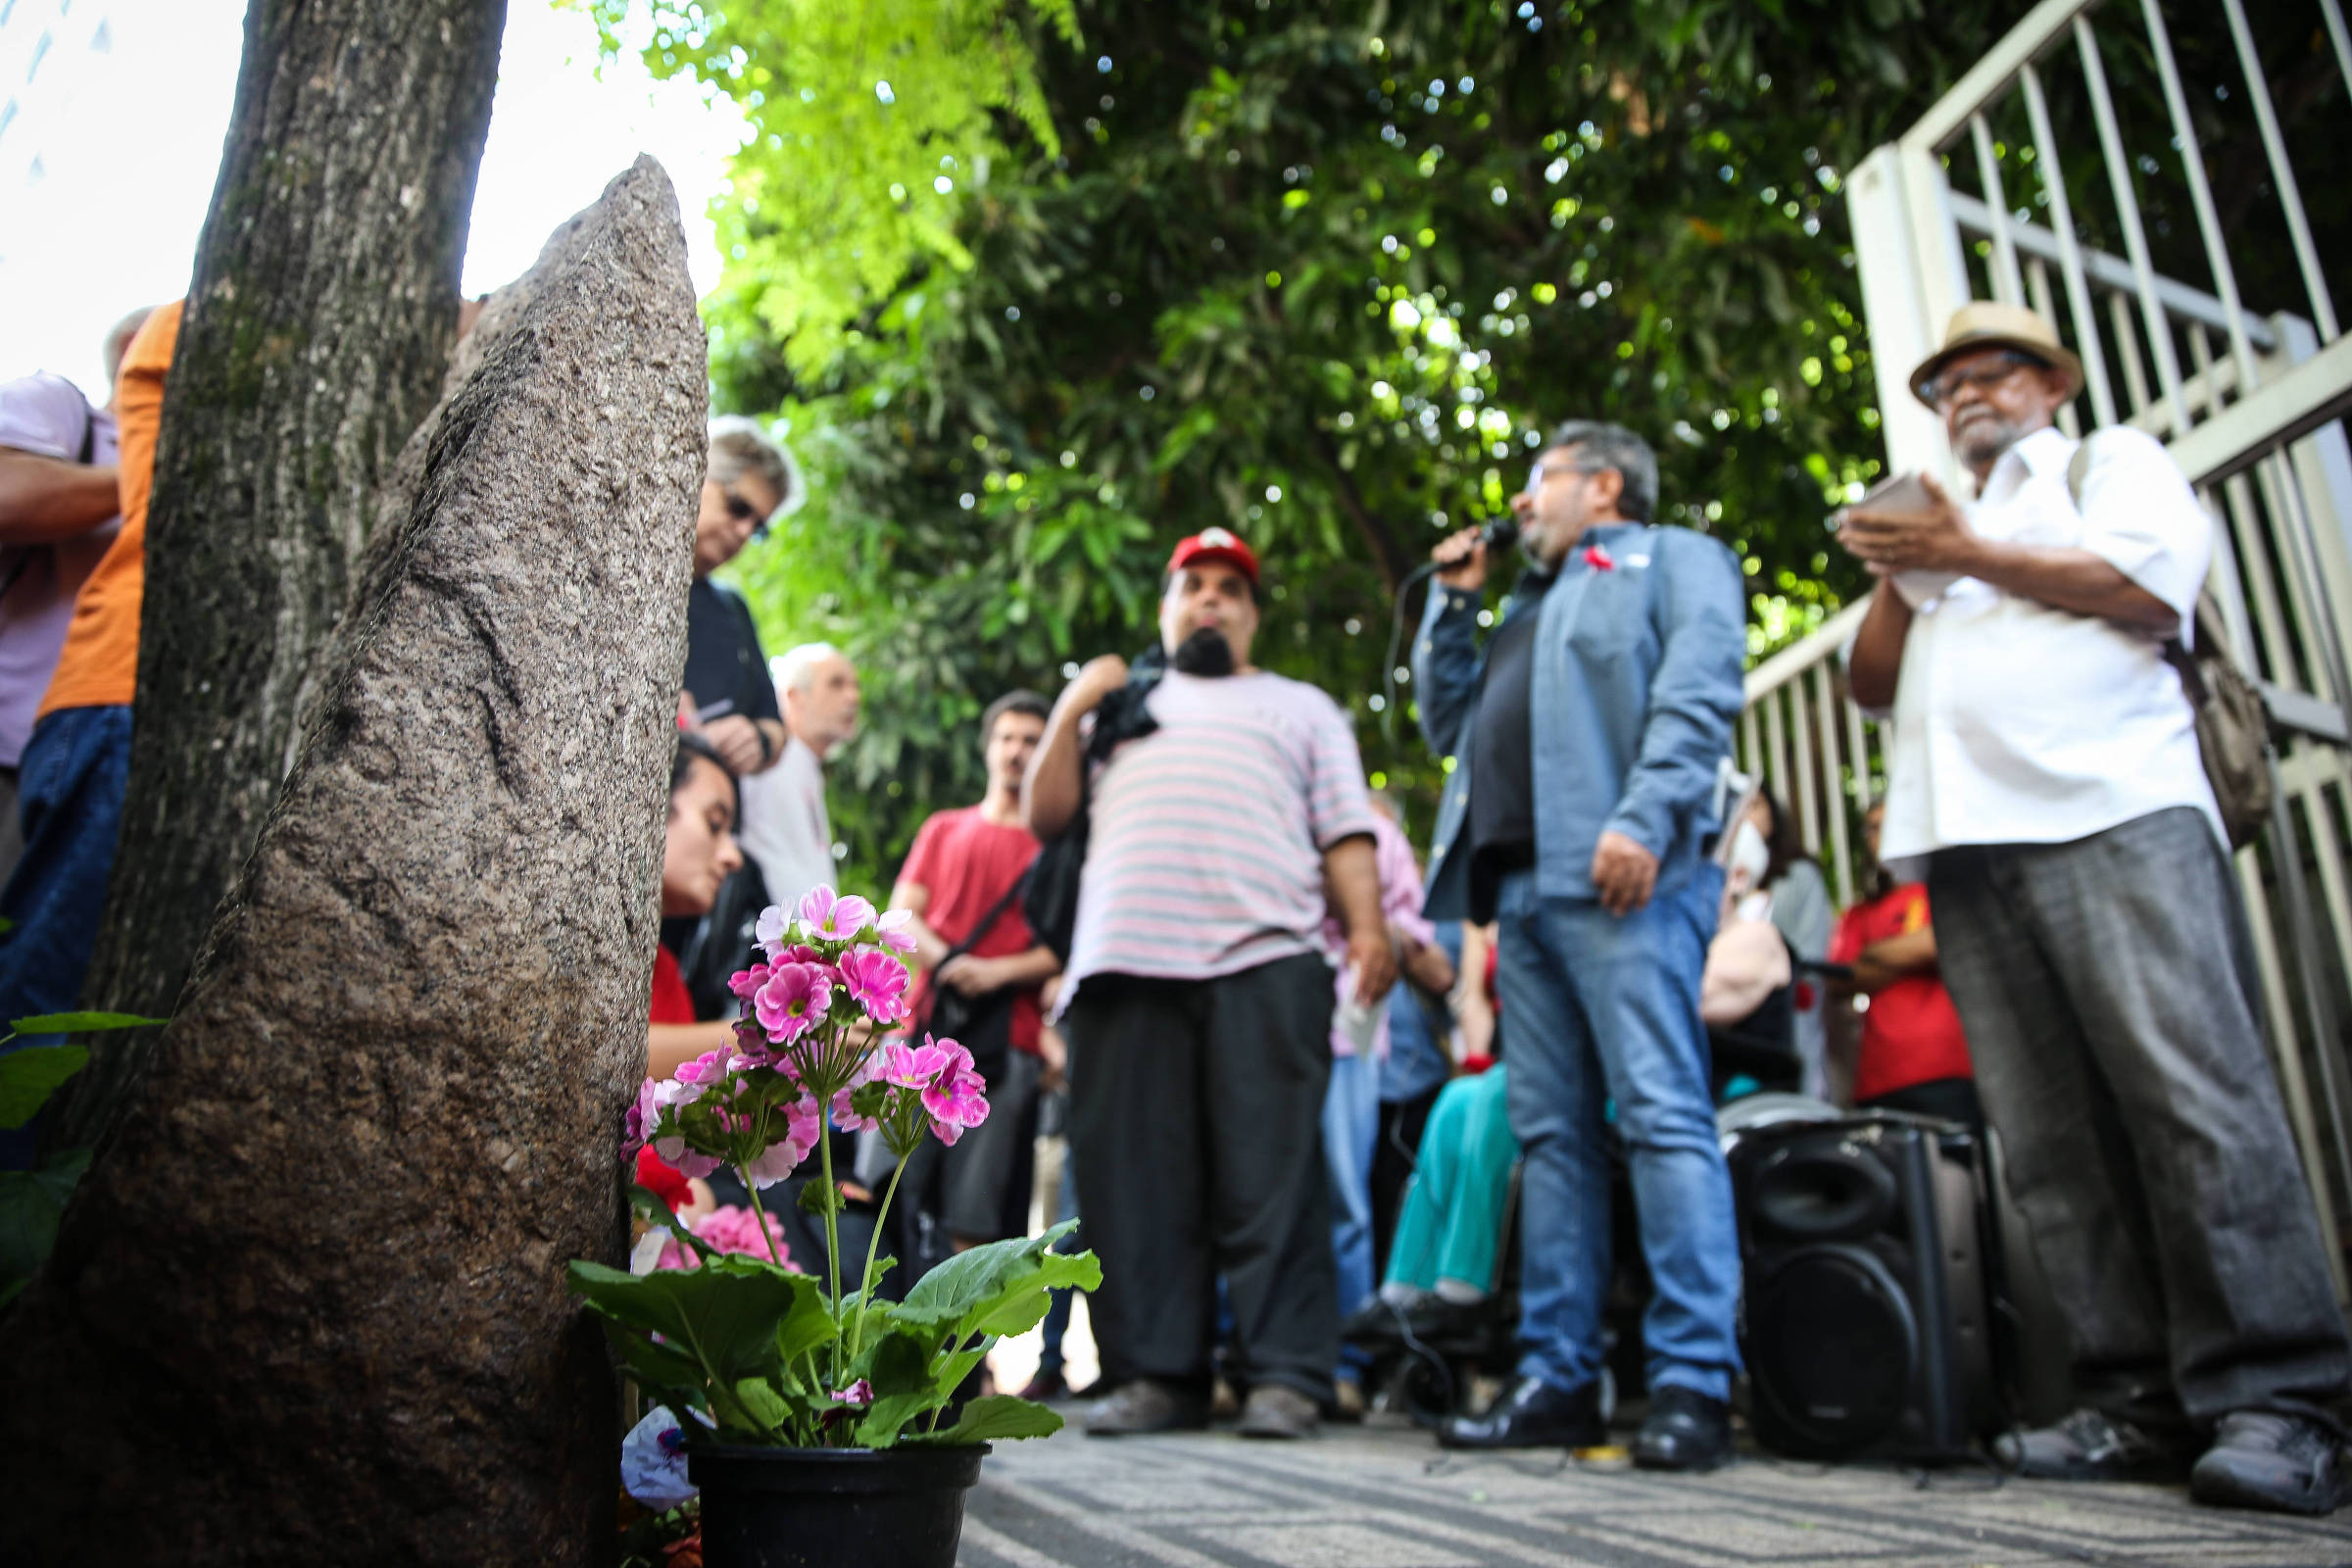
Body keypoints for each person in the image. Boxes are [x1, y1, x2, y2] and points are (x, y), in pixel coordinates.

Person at [1838, 300, 2349, 1514]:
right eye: (1947, 380)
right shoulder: (1939, 522)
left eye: (1993, 371)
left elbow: (2143, 587)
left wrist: (1969, 555)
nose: (1967, 391)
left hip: (2115, 809)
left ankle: (2283, 1397)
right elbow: (1868, 684)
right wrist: (1911, 575)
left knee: (2194, 1095)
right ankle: (2136, 1404)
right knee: (2053, 1140)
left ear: (2050, 384)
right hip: (1966, 845)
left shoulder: (2104, 463)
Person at [1412, 420, 1746, 1467]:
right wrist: (1455, 605)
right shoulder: (1529, 602)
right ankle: (1560, 1375)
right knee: (1549, 1138)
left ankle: (1695, 1378)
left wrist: (1647, 816)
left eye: (1537, 481)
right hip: (1521, 892)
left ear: (1603, 485)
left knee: (1659, 1113)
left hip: (1623, 877)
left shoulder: (1674, 558)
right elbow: (1448, 727)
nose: (1519, 503)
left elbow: (1698, 689)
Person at [1026, 526, 1396, 1442]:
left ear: (1252, 616)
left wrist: (1371, 929)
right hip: (1122, 967)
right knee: (1136, 1186)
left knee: (1272, 1179)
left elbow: (1346, 828)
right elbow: (1048, 813)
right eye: (1194, 585)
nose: (1212, 600)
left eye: (1231, 588)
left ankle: (1285, 1377)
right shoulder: (1122, 708)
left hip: (1267, 961)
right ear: (1167, 606)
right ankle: (1158, 1377)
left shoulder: (1301, 707)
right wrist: (1078, 699)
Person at [0, 302, 179, 1170]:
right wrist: (148, 475)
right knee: (38, 1008)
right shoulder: (67, 414)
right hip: (73, 726)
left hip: (91, 731)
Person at [888, 690, 1060, 1249]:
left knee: (975, 1216)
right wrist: (953, 962)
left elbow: (1063, 949)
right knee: (884, 1187)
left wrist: (995, 973)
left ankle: (964, 1339)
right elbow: (900, 914)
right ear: (988, 747)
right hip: (923, 1027)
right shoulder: (943, 828)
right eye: (1007, 737)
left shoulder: (1053, 850)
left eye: (1032, 741)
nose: (1016, 751)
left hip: (1010, 1041)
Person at [0, 310, 150, 885]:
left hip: (109, 761)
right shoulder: (63, 411)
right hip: (19, 739)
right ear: (140, 346)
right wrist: (142, 480)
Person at [666, 418, 800, 1014]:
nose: (744, 531)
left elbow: (775, 726)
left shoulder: (732, 612)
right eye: (738, 506)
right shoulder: (636, 577)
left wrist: (756, 737)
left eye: (759, 526)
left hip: (705, 871)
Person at [1325, 799, 1452, 1416]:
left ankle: (1347, 1365)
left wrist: (1374, 927)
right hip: (1261, 1026)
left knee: (1346, 1201)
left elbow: (1418, 936)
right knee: (1251, 1197)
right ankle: (1237, 1360)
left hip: (1347, 1033)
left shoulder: (1379, 835)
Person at [636, 731, 745, 1214]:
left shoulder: (668, 971)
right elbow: (593, 1058)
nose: (732, 856)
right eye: (714, 823)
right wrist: (757, 1038)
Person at [1828, 802, 1979, 1135]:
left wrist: (1873, 953)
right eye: (1871, 828)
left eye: (1888, 823)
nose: (1879, 836)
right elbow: (1838, 980)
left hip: (1947, 1068)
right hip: (1877, 1078)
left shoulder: (1942, 893)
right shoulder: (1859, 912)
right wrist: (1909, 953)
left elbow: (1941, 943)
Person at [737, 641, 859, 908]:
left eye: (855, 686)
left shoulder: (808, 766)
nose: (853, 697)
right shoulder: (762, 762)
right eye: (836, 684)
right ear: (794, 697)